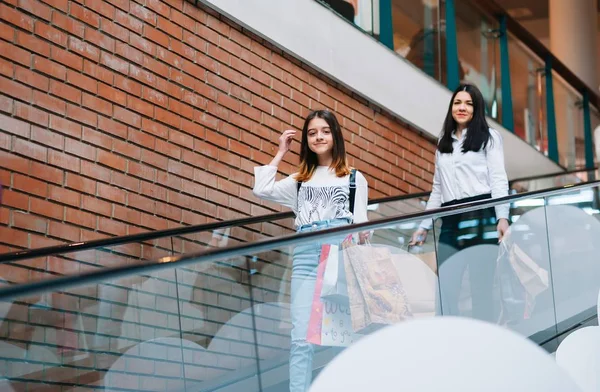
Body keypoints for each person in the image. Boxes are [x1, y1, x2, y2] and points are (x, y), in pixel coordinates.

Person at [253, 109, 368, 392]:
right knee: (301, 336)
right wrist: (281, 152)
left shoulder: (353, 178)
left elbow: (363, 224)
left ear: (335, 135)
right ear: (306, 139)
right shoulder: (300, 179)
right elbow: (261, 189)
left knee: (342, 335)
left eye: (325, 131)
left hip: (339, 252)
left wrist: (362, 238)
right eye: (312, 132)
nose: (319, 137)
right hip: (305, 254)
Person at [410, 83, 509, 322]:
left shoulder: (489, 137)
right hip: (451, 218)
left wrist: (502, 217)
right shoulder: (443, 142)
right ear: (451, 107)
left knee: (480, 288)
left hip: (481, 215)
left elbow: (498, 179)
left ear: (477, 109)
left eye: (468, 103)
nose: (462, 107)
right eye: (457, 102)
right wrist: (423, 226)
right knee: (445, 288)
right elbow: (437, 188)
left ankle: (482, 347)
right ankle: (449, 344)